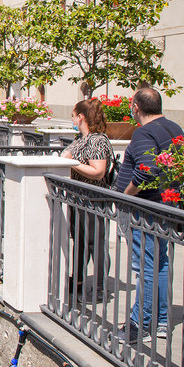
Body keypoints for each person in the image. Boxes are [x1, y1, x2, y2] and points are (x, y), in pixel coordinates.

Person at [113, 87, 184, 344]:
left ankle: (140, 324)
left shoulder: (144, 132)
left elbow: (147, 170)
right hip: (165, 207)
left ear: (135, 107)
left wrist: (126, 195)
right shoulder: (175, 128)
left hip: (145, 211)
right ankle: (162, 320)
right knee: (160, 265)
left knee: (145, 268)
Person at [60, 99, 113, 301]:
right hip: (79, 200)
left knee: (94, 243)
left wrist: (71, 163)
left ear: (80, 117)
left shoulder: (97, 140)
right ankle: (79, 281)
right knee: (81, 242)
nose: (72, 120)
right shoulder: (82, 139)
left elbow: (98, 171)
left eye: (73, 116)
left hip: (93, 199)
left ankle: (99, 288)